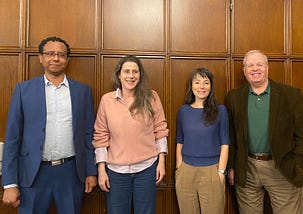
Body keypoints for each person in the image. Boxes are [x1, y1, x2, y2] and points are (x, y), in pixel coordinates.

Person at [1, 36, 97, 213]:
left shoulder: (82, 92)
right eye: (50, 54)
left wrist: (91, 171)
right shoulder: (24, 90)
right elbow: (13, 138)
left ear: (67, 59)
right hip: (33, 174)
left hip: (71, 173)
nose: (55, 58)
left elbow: (89, 134)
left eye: (61, 54)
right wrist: (9, 183)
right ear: (41, 57)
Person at [226, 50, 303, 214]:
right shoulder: (234, 97)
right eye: (250, 65)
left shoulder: (291, 95)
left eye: (259, 64)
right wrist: (231, 166)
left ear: (267, 68)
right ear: (244, 70)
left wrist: (296, 164)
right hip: (247, 169)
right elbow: (230, 136)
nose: (255, 69)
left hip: (282, 167)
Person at [92, 55, 169, 214]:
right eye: (126, 71)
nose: (131, 76)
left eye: (135, 71)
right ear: (119, 75)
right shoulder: (107, 100)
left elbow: (160, 131)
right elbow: (100, 136)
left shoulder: (151, 97)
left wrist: (161, 162)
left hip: (147, 169)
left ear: (140, 75)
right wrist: (101, 170)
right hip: (115, 172)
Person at [175, 68, 229, 214]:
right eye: (197, 82)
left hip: (212, 170)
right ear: (191, 86)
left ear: (211, 87)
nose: (202, 87)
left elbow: (225, 143)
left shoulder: (220, 110)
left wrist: (221, 172)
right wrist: (179, 168)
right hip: (186, 171)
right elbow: (180, 141)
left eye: (206, 83)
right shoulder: (183, 111)